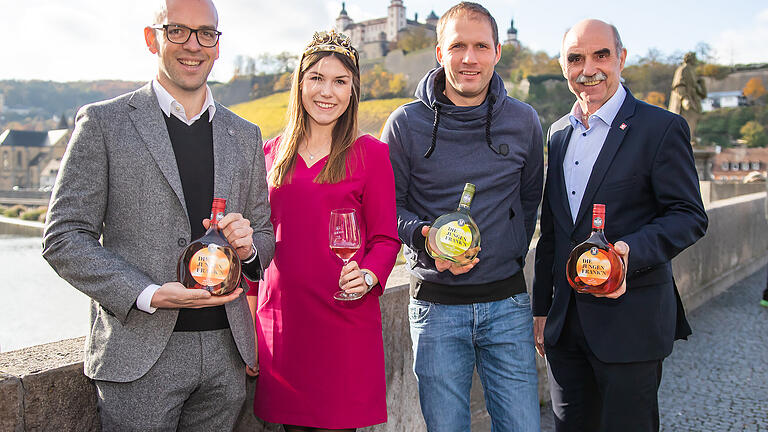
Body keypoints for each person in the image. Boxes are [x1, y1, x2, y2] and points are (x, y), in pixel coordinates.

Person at [42, 0, 274, 430]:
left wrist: (249, 245)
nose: (194, 45)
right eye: (178, 31)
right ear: (152, 38)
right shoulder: (103, 123)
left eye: (206, 33)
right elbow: (64, 237)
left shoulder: (244, 134)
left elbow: (263, 234)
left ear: (218, 46)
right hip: (138, 356)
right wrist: (147, 293)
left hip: (226, 353)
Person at [532, 19, 708, 431]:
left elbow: (689, 216)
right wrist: (542, 308)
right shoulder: (558, 133)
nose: (587, 68)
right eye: (575, 58)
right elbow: (554, 231)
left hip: (631, 324)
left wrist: (630, 255)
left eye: (601, 55)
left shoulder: (660, 127)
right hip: (565, 327)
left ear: (621, 59)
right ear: (563, 67)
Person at [381, 2, 543, 430]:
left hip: (507, 304)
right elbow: (385, 210)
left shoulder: (524, 121)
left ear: (497, 52)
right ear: (439, 53)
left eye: (480, 46)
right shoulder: (404, 124)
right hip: (436, 309)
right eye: (458, 47)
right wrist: (425, 238)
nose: (469, 58)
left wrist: (505, 251)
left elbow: (529, 204)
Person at [246, 30, 400, 432]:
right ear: (300, 83)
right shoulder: (267, 154)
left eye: (339, 81)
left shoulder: (372, 154)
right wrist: (246, 325)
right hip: (282, 325)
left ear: (353, 91)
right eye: (316, 78)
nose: (326, 91)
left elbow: (386, 238)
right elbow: (254, 246)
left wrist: (367, 275)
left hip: (343, 324)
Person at [668, 52, 707, 143]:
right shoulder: (683, 69)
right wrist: (685, 98)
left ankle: (690, 138)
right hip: (685, 102)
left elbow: (702, 94)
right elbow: (678, 86)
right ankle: (685, 139)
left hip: (693, 100)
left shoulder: (693, 71)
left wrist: (702, 84)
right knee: (685, 120)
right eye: (694, 58)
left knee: (693, 119)